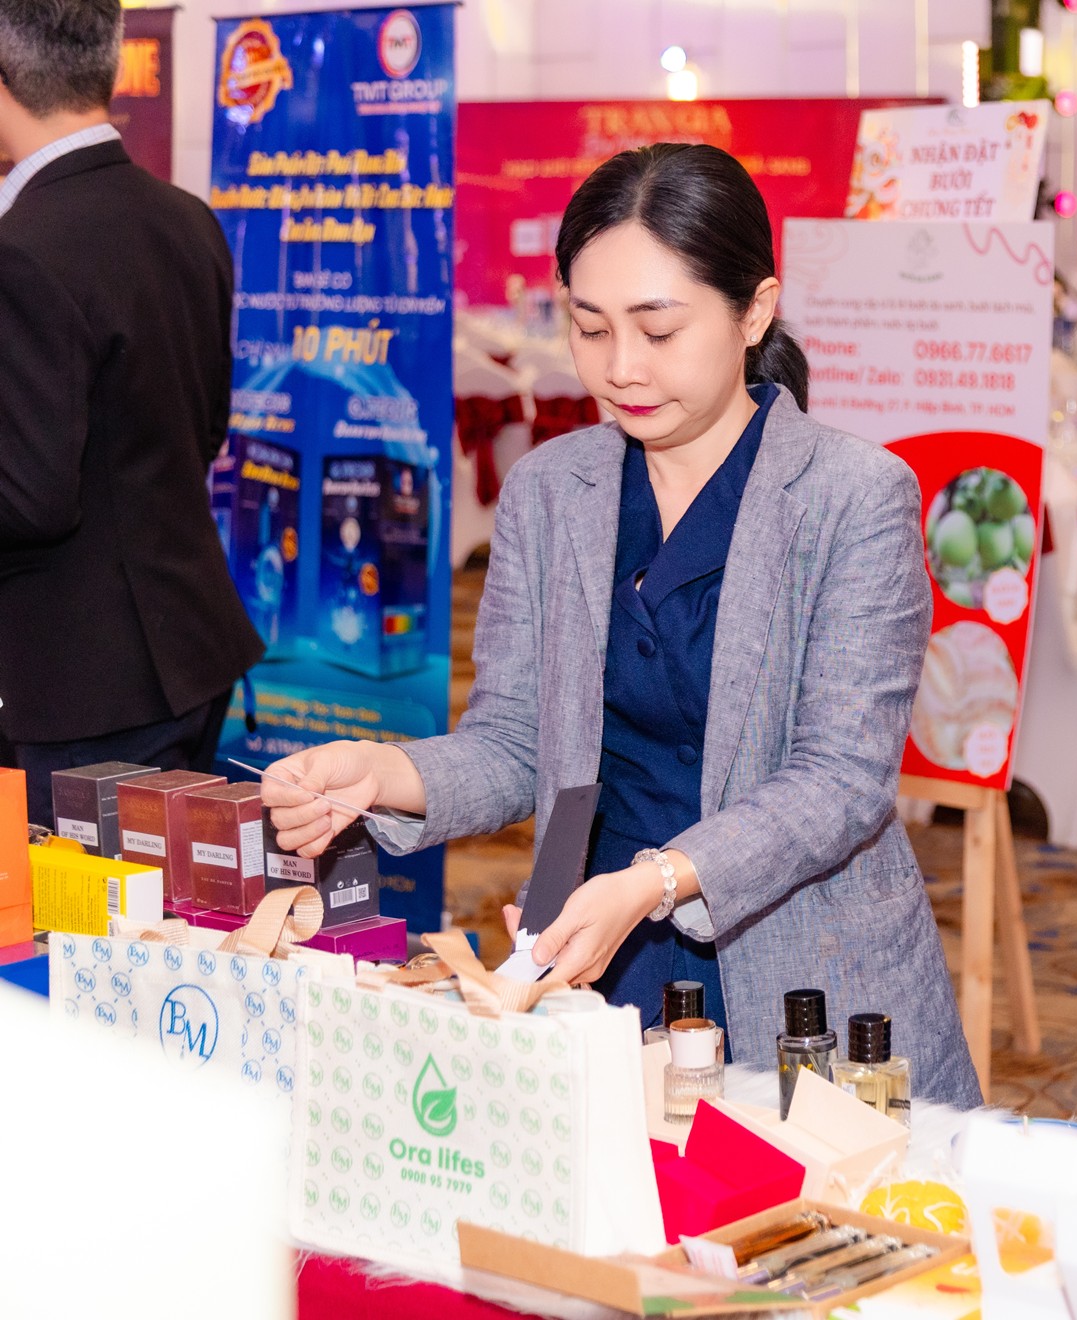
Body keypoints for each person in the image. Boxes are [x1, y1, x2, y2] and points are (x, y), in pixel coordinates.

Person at [261, 144, 980, 1106]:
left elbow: (840, 782)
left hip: (799, 966)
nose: (621, 369)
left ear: (754, 311)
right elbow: (517, 741)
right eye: (590, 328)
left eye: (658, 329)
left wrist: (657, 882)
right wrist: (381, 774)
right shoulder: (552, 490)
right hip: (603, 959)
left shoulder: (853, 495)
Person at [0, 0, 262, 825]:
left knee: (81, 904)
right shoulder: (187, 218)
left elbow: (31, 499)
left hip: (78, 676)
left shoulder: (21, 247)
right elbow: (205, 430)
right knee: (171, 896)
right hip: (189, 643)